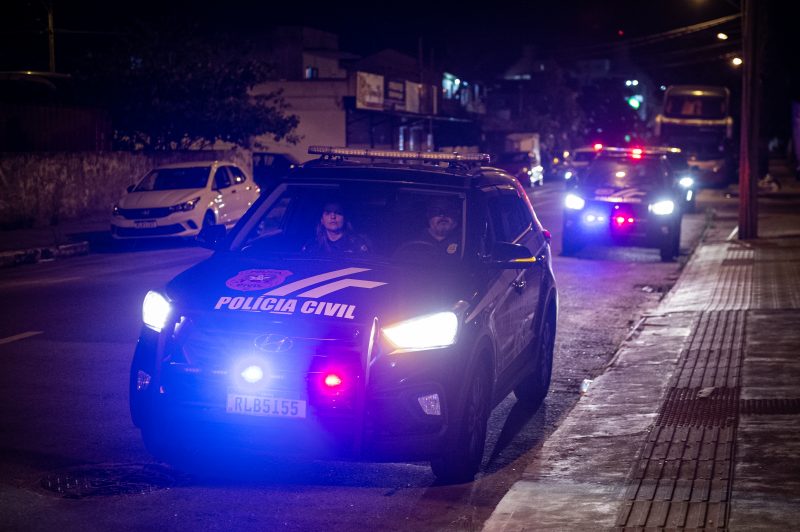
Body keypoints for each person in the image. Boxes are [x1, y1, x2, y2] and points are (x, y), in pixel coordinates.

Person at [302, 199, 370, 254]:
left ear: (344, 218)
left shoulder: (357, 244)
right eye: (328, 213)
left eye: (337, 213)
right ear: (322, 220)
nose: (333, 216)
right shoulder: (312, 245)